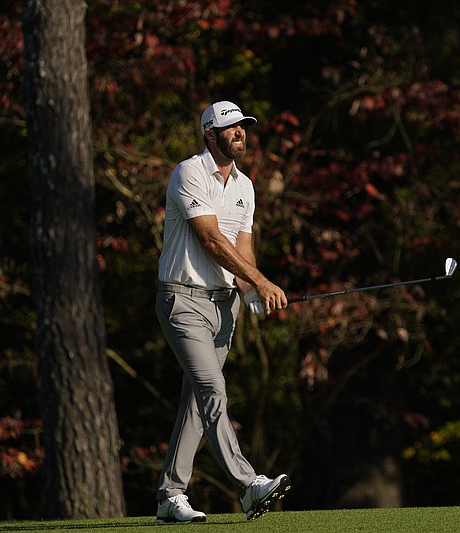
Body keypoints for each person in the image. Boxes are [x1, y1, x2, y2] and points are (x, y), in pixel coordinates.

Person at [153, 100, 290, 524]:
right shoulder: (189, 173)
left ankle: (169, 497)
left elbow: (241, 247)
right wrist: (263, 281)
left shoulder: (245, 187)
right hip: (183, 301)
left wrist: (250, 289)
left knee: (197, 400)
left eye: (243, 127)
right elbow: (211, 239)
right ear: (209, 135)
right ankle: (249, 485)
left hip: (223, 307)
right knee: (213, 389)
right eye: (230, 128)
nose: (240, 133)